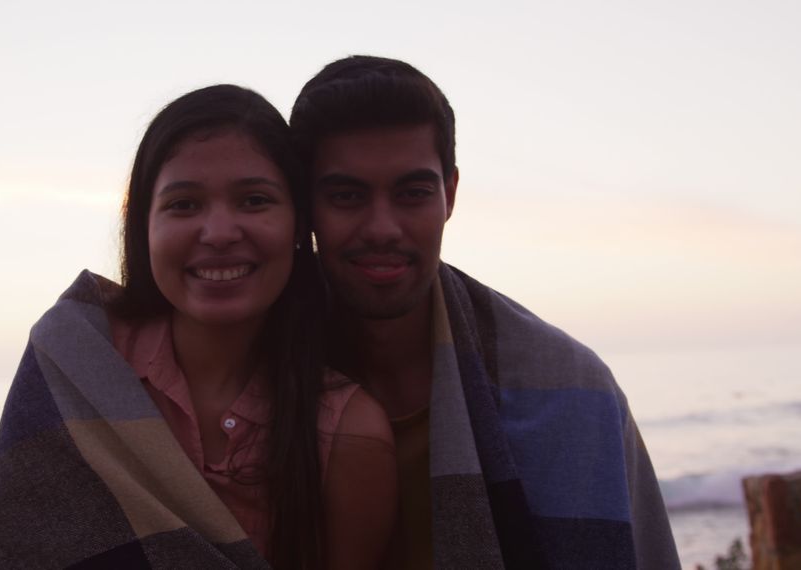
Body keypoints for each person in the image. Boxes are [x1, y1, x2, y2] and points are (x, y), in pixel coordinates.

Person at [0, 85, 396, 570]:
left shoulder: (348, 433)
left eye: (254, 200)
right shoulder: (79, 360)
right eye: (184, 205)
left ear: (300, 225)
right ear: (143, 225)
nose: (218, 233)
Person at [289, 56, 680, 569]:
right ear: (304, 205)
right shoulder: (236, 378)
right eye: (347, 195)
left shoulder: (573, 393)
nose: (382, 227)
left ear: (449, 194)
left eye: (413, 194)